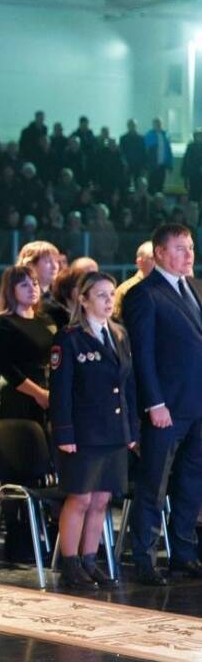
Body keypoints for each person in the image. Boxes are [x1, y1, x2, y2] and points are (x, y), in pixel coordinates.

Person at [123, 223, 202, 586]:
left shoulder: (194, 287)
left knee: (192, 481)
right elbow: (142, 355)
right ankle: (144, 557)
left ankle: (183, 554)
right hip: (165, 407)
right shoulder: (144, 294)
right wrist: (154, 402)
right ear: (159, 253)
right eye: (181, 248)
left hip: (197, 403)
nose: (189, 254)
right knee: (153, 483)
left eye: (191, 247)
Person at [49, 272, 137, 590]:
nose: (108, 300)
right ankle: (70, 563)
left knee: (102, 500)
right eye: (101, 295)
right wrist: (64, 433)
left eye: (111, 294)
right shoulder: (69, 338)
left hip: (113, 430)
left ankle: (89, 561)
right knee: (81, 498)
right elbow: (61, 391)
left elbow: (127, 387)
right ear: (83, 300)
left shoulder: (119, 334)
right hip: (84, 433)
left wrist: (131, 430)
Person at [0, 265, 55, 423]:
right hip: (18, 397)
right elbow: (7, 368)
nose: (32, 289)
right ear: (11, 290)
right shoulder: (2, 323)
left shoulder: (44, 320)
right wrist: (39, 394)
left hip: (46, 392)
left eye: (35, 283)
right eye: (24, 285)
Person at [113, 241, 155, 318]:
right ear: (140, 262)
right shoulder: (126, 290)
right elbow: (116, 320)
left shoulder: (168, 286)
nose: (159, 263)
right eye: (153, 258)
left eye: (161, 258)